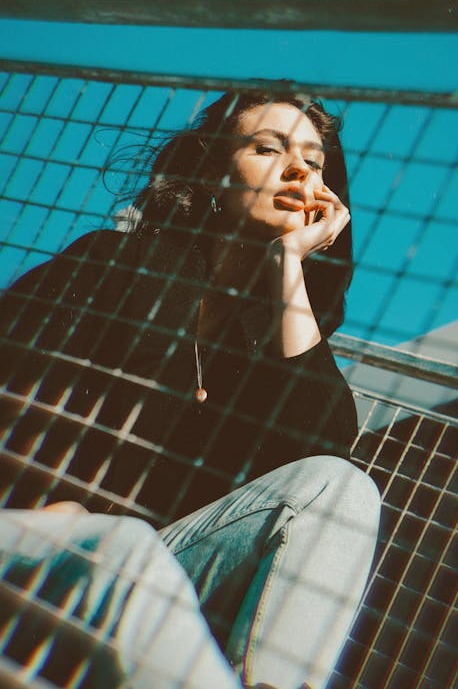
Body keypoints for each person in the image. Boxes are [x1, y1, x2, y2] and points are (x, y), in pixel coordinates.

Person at [0, 90, 380, 688]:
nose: (300, 169)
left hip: (143, 576)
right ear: (210, 173)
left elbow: (321, 445)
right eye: (267, 148)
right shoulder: (108, 263)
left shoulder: (259, 342)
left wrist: (289, 265)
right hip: (28, 541)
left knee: (341, 490)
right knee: (122, 546)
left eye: (315, 159)